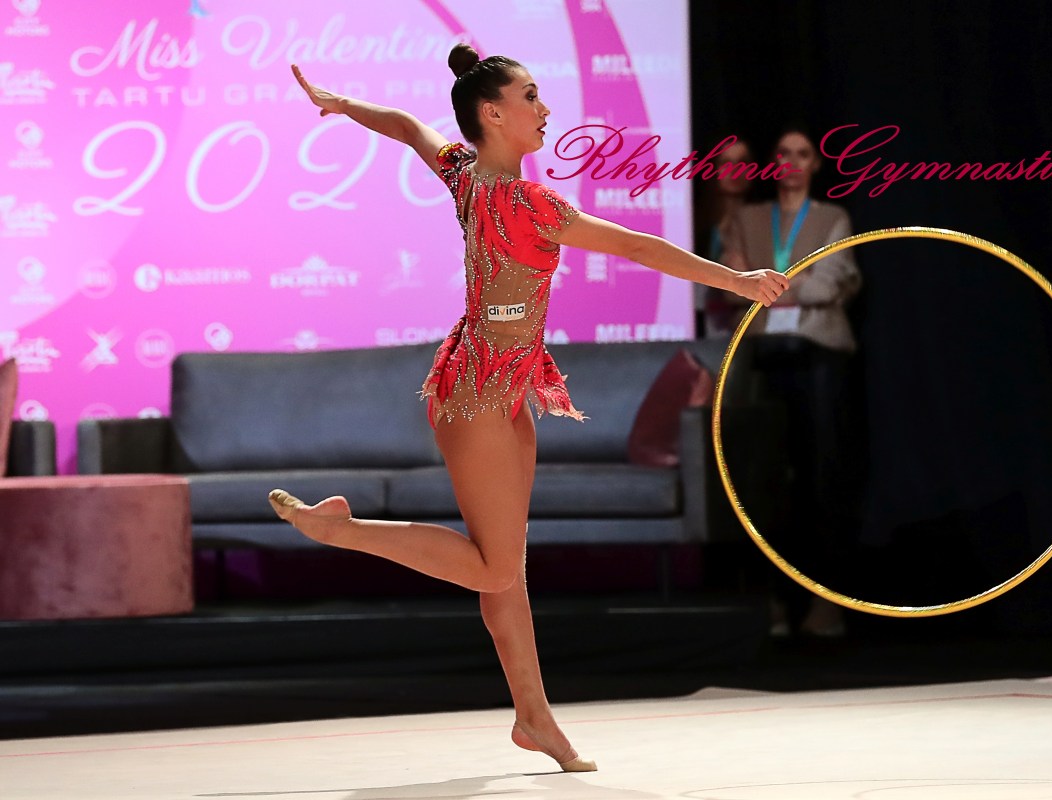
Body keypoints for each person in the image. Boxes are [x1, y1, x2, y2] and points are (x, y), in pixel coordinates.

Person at [268, 45, 788, 772]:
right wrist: (738, 280)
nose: (546, 110)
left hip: (505, 387)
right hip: (476, 390)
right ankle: (340, 529)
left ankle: (535, 720)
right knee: (492, 571)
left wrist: (343, 104)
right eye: (532, 97)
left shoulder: (463, 172)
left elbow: (410, 127)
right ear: (493, 112)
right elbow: (638, 247)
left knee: (505, 571)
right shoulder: (529, 204)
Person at [718, 124, 863, 640]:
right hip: (761, 358)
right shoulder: (748, 219)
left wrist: (767, 283)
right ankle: (773, 604)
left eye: (803, 154)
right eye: (783, 152)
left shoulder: (832, 217)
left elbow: (831, 284)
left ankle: (827, 605)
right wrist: (792, 283)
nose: (792, 162)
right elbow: (732, 285)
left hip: (817, 358)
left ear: (816, 164)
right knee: (764, 482)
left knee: (823, 477)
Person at [694, 134, 758, 338]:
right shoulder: (693, 223)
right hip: (700, 326)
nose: (734, 170)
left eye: (742, 163)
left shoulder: (764, 223)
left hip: (750, 326)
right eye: (725, 163)